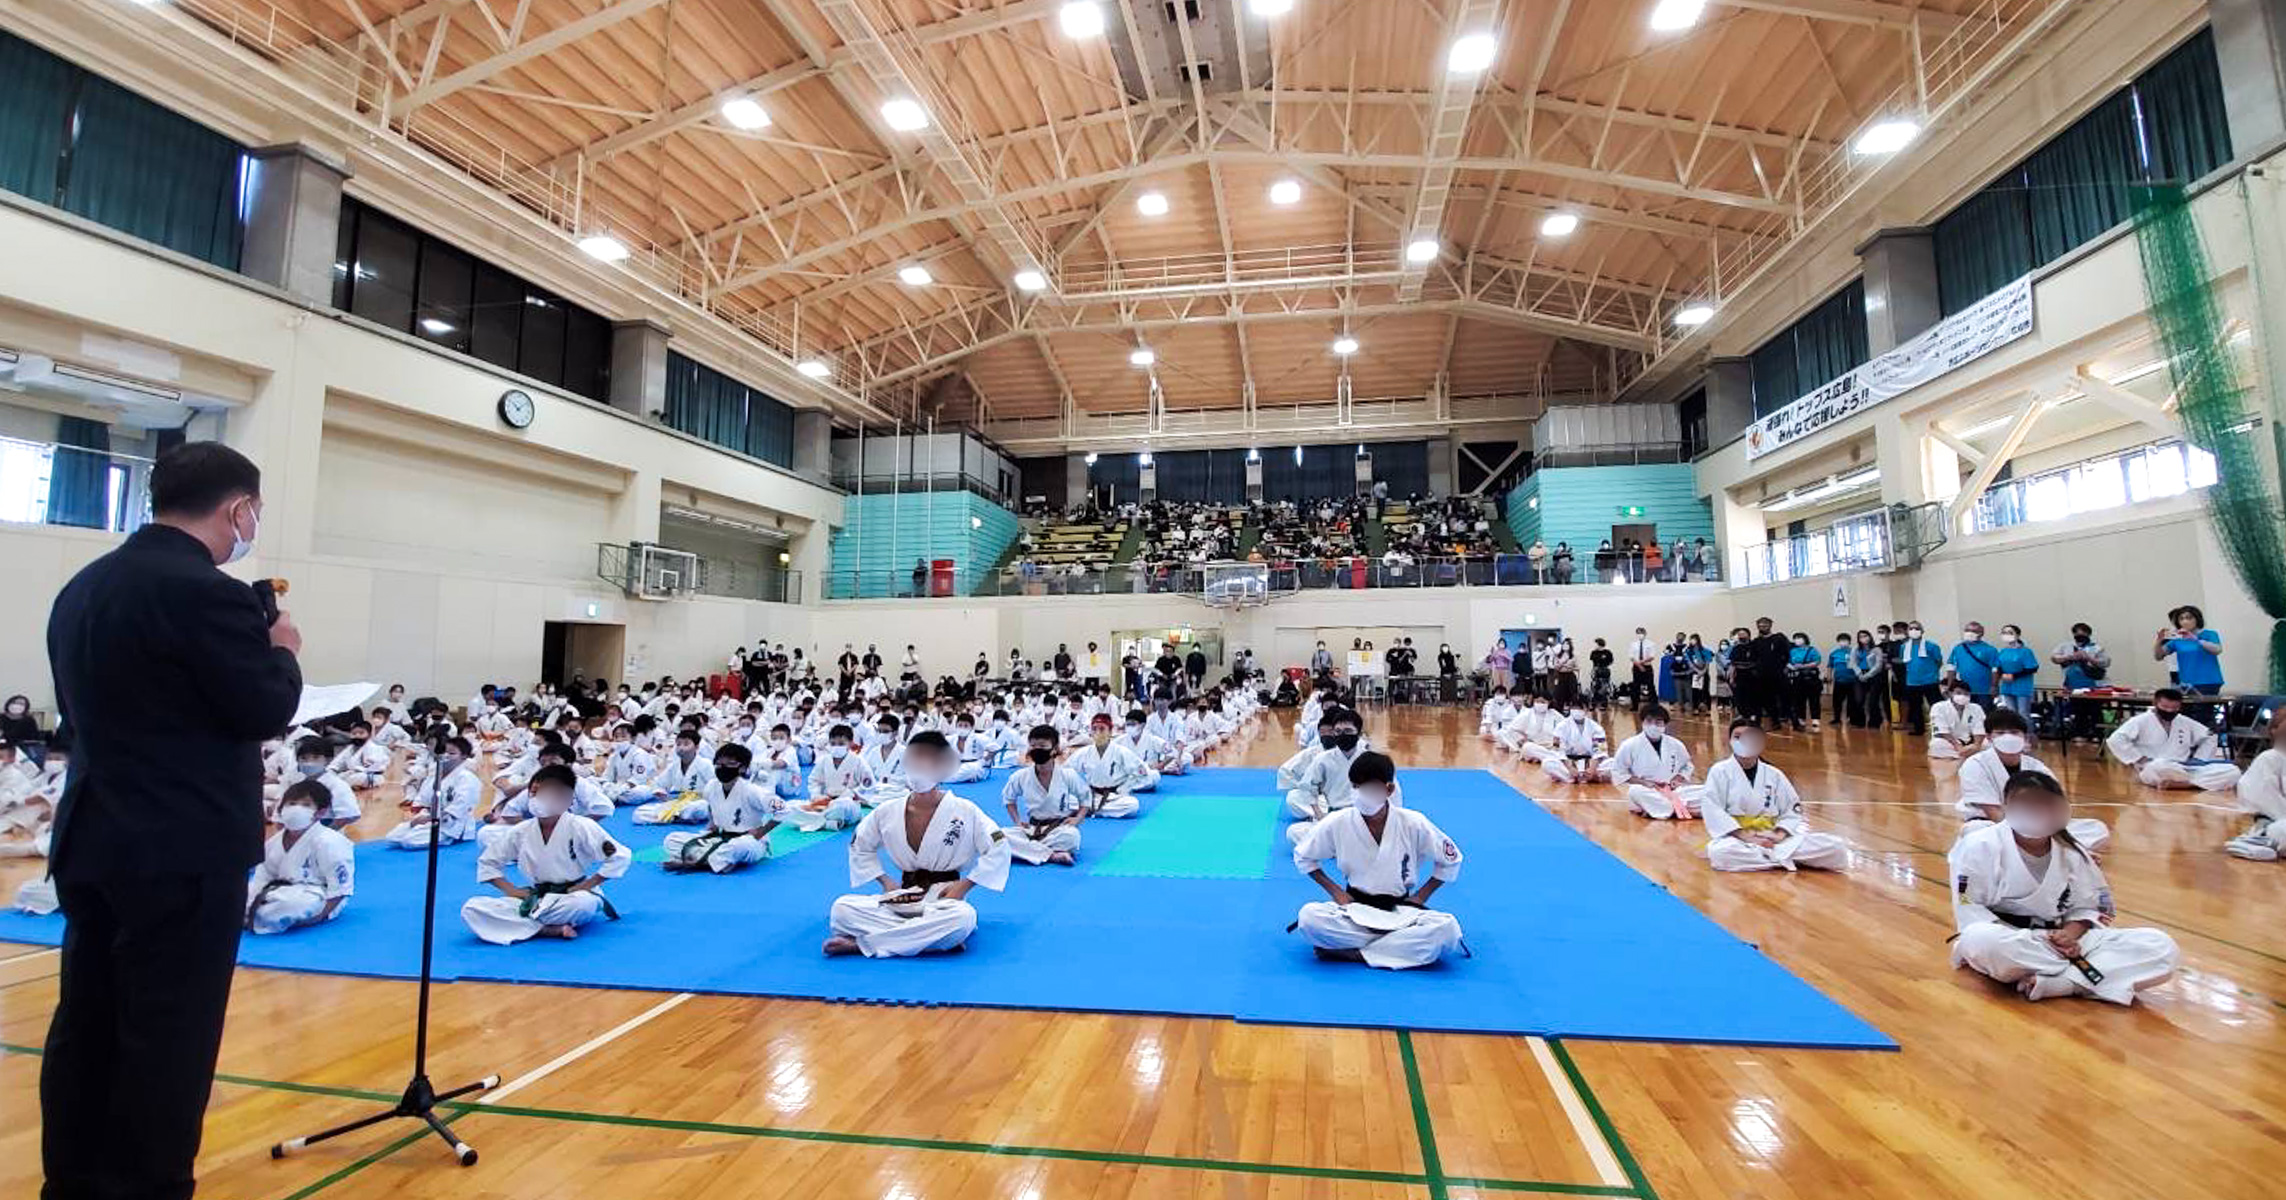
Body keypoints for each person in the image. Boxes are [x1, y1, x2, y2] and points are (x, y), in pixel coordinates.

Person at [37, 441, 306, 1200]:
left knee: (86, 1025)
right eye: (253, 512)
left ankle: (73, 1183)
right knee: (167, 1039)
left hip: (94, 837)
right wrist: (282, 651)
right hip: (180, 848)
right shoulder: (205, 592)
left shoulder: (85, 588)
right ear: (237, 509)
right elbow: (261, 706)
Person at [1948, 772, 2178, 1005]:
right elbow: (1969, 907)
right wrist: (2052, 944)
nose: (2038, 809)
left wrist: (2068, 936)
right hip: (2012, 940)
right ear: (2007, 806)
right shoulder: (1980, 845)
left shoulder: (2073, 851)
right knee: (1981, 939)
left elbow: (2089, 908)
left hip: (2064, 940)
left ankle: (2059, 983)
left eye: (2046, 802)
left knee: (2160, 946)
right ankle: (2082, 976)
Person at [823, 732, 1011, 957]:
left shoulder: (965, 810)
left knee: (962, 919)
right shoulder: (887, 810)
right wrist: (886, 882)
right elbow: (859, 844)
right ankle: (930, 940)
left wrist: (963, 887)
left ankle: (863, 944)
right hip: (902, 895)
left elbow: (998, 845)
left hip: (945, 900)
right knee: (841, 910)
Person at [1290, 753, 1464, 969]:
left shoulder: (1413, 822)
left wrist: (1421, 896)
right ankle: (1393, 950)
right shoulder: (1339, 821)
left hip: (1401, 912)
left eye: (1369, 787)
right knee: (1309, 918)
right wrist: (1336, 892)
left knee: (1447, 931)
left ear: (1388, 790)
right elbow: (1304, 856)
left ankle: (1356, 954)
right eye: (1355, 786)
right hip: (1354, 910)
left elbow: (1451, 859)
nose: (1360, 793)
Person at [461, 764, 632, 944]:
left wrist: (587, 885)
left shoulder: (581, 825)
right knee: (472, 909)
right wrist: (511, 890)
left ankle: (521, 925)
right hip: (536, 897)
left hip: (571, 896)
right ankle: (546, 929)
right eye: (536, 793)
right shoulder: (521, 831)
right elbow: (488, 862)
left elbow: (619, 856)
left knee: (582, 905)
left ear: (567, 800)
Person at [1701, 718, 1848, 873]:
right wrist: (1746, 836)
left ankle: (1771, 859)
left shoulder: (1774, 774)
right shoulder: (1720, 771)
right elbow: (1713, 809)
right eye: (1737, 737)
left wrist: (1779, 834)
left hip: (1773, 838)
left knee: (1836, 847)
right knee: (1721, 854)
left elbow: (1792, 809)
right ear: (1730, 741)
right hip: (1737, 839)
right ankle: (1785, 859)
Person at [1953, 708, 2109, 852]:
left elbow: (2055, 806)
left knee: (2096, 829)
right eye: (2000, 733)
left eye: (2014, 732)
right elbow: (1993, 812)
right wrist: (2031, 836)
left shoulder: (2035, 766)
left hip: (2036, 825)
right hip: (1993, 824)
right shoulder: (1975, 765)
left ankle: (2051, 849)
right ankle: (2047, 849)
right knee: (1976, 834)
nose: (2008, 737)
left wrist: (2046, 831)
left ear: (2024, 737)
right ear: (1989, 738)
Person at [244, 779, 355, 935]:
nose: (296, 809)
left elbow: (340, 888)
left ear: (320, 812)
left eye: (306, 805)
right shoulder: (274, 842)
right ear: (282, 808)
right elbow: (262, 878)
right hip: (278, 892)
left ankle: (255, 916)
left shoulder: (330, 842)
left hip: (315, 895)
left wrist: (319, 917)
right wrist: (249, 899)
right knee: (237, 895)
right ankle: (259, 915)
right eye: (292, 803)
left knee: (293, 905)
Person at [661, 743, 785, 874]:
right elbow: (710, 805)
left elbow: (783, 811)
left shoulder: (752, 791)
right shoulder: (711, 786)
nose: (723, 768)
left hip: (749, 840)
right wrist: (712, 823)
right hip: (720, 837)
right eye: (719, 764)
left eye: (730, 764)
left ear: (742, 768)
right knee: (671, 839)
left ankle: (696, 861)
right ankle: (715, 862)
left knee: (740, 847)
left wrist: (760, 832)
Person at [2105, 687, 2241, 791]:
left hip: (2185, 768)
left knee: (2233, 771)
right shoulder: (2141, 720)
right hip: (2155, 767)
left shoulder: (2183, 721)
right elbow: (2116, 739)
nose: (2169, 711)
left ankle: (2185, 784)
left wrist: (2199, 760)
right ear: (2155, 703)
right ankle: (2197, 783)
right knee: (2159, 767)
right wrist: (2138, 758)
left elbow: (2209, 736)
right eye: (2165, 707)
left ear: (2180, 706)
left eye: (2174, 708)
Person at [1001, 725, 1089, 866]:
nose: (1037, 749)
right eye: (1033, 745)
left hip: (1058, 830)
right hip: (1031, 829)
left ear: (1054, 748)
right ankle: (1052, 855)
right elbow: (1008, 799)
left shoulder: (1068, 775)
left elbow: (1085, 798)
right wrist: (1017, 821)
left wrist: (1078, 818)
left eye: (1042, 745)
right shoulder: (1020, 776)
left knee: (1072, 837)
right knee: (995, 836)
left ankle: (1029, 851)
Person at [388, 736, 483, 847]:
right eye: (445, 752)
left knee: (409, 841)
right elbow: (424, 800)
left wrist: (429, 818)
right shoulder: (436, 774)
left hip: (452, 825)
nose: (446, 756)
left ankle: (446, 839)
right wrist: (418, 818)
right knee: (392, 837)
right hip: (430, 818)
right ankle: (423, 831)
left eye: (452, 754)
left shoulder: (467, 779)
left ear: (464, 757)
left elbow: (457, 809)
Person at [1611, 705, 1701, 820]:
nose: (1653, 726)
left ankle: (1667, 808)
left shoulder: (1675, 744)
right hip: (1648, 790)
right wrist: (1642, 782)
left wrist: (1678, 778)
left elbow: (1687, 766)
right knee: (1635, 791)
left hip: (1673, 790)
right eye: (1649, 721)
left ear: (1665, 725)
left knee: (1705, 791)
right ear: (1642, 723)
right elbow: (1619, 772)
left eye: (1658, 722)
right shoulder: (1629, 745)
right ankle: (1682, 808)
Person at [2227, 708, 2286, 861]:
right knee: (2281, 831)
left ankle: (2265, 840)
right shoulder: (2272, 759)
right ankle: (2265, 836)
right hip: (2280, 820)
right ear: (2274, 731)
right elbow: (2257, 796)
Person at [1065, 714, 1145, 817]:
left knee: (1132, 805)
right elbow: (1065, 771)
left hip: (1114, 797)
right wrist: (1079, 788)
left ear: (1110, 732)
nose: (1098, 733)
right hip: (1091, 795)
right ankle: (1097, 810)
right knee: (1066, 800)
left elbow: (1141, 772)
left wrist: (1125, 788)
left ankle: (1090, 810)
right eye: (1094, 729)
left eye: (1102, 729)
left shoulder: (1121, 751)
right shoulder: (1085, 752)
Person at [2050, 623, 2112, 742]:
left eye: (2083, 633)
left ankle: (2097, 734)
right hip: (2073, 686)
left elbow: (2105, 663)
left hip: (2093, 685)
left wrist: (2088, 658)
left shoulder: (2096, 648)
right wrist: (2070, 657)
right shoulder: (2065, 646)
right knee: (2078, 710)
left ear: (2088, 634)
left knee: (2095, 710)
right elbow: (2054, 658)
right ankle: (2080, 734)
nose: (2079, 635)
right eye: (2077, 633)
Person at [1895, 622, 1944, 736]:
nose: (1914, 631)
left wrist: (1932, 673)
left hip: (1930, 680)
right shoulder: (1904, 647)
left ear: (1922, 631)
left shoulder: (1931, 645)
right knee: (1916, 707)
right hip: (1912, 681)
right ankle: (1919, 729)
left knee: (1936, 706)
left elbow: (1938, 661)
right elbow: (1904, 661)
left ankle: (1942, 729)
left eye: (1916, 628)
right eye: (1911, 628)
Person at [1541, 706, 1610, 784]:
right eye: (1574, 707)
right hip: (1569, 762)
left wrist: (1592, 769)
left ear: (1587, 709)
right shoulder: (1561, 726)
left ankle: (1591, 776)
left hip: (1590, 762)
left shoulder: (1596, 727)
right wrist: (1570, 767)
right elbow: (1558, 750)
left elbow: (1600, 751)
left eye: (1580, 708)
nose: (1577, 710)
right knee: (1547, 763)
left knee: (1613, 764)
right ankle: (1571, 777)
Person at [1927, 683, 1987, 760]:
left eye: (1966, 694)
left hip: (1970, 742)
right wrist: (1959, 747)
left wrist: (1976, 746)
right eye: (1958, 693)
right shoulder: (1938, 707)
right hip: (1949, 741)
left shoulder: (1976, 708)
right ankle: (1965, 756)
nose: (1962, 696)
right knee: (1936, 745)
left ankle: (1964, 755)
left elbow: (1979, 729)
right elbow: (1942, 731)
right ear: (1950, 693)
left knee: (1987, 744)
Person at [1948, 622, 2000, 707]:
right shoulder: (1958, 648)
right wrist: (1950, 687)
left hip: (1984, 691)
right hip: (1964, 691)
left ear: (1981, 633)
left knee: (1984, 715)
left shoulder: (1990, 649)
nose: (1969, 632)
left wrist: (1994, 686)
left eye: (1973, 631)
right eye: (1967, 630)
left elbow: (1995, 670)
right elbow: (1951, 668)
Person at [1991, 625, 2039, 716]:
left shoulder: (2025, 651)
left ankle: (2027, 730)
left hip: (2022, 687)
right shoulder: (2003, 651)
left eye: (2010, 632)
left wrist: (2014, 676)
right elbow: (1997, 666)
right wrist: (2001, 676)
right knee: (2011, 713)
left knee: (2023, 713)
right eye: (2004, 633)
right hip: (2006, 686)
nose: (2007, 635)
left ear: (2017, 635)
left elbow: (2032, 668)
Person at [1627, 628, 1657, 708]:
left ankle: (1654, 704)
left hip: (1647, 666)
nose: (1640, 635)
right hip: (1637, 667)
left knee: (1650, 685)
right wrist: (1639, 665)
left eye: (1641, 633)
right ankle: (1635, 705)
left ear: (1645, 633)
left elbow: (1652, 656)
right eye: (1638, 633)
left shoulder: (1651, 644)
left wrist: (1642, 662)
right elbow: (1631, 657)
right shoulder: (1633, 644)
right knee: (1636, 686)